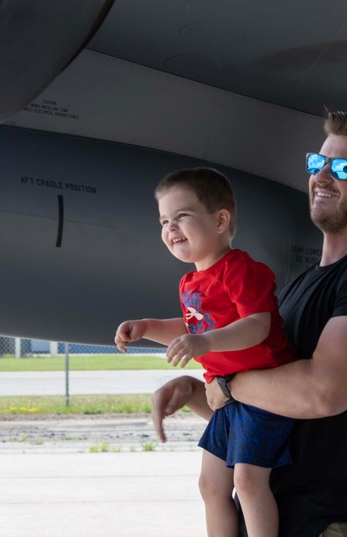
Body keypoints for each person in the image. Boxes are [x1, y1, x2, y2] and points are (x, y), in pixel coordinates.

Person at [150, 112, 347, 537]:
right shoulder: (298, 287)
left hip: (329, 525)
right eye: (318, 164)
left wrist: (226, 383)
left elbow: (321, 392)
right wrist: (193, 391)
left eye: (344, 169)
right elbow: (265, 415)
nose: (323, 177)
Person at [115, 167, 297, 537]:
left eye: (182, 216)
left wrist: (207, 342)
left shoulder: (240, 269)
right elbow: (191, 330)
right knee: (210, 486)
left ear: (220, 220)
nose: (170, 228)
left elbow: (256, 325)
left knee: (247, 481)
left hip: (263, 396)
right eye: (164, 220)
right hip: (226, 397)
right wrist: (148, 328)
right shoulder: (190, 282)